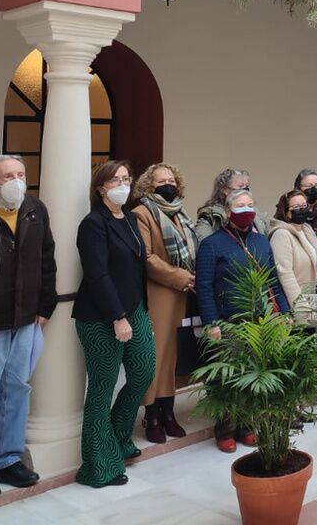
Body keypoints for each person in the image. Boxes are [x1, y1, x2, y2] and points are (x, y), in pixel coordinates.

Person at [0, 155, 56, 502]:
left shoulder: (35, 208)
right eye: (8, 176)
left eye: (21, 174)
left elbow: (46, 258)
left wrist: (45, 305)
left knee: (16, 389)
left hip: (27, 317)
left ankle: (7, 458)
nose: (16, 181)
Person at [73, 161, 156, 488]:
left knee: (143, 372)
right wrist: (117, 317)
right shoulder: (93, 224)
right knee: (101, 388)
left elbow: (137, 268)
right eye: (115, 180)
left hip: (135, 308)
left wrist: (139, 313)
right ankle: (98, 466)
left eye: (126, 178)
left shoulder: (132, 218)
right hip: (101, 315)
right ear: (100, 188)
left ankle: (119, 434)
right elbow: (97, 274)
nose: (122, 184)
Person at [195, 189, 290, 451]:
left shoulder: (261, 241)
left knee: (252, 375)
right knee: (226, 378)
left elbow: (273, 281)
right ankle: (225, 429)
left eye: (250, 204)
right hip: (227, 322)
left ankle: (247, 425)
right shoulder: (212, 244)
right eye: (240, 205)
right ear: (227, 212)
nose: (246, 209)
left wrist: (285, 312)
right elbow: (203, 287)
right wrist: (211, 323)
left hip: (259, 322)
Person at [130, 163, 198, 446]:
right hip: (160, 292)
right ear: (149, 185)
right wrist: (182, 277)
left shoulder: (180, 213)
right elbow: (146, 257)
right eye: (161, 180)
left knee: (174, 355)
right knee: (156, 355)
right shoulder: (142, 212)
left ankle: (169, 411)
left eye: (171, 179)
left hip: (184, 293)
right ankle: (152, 415)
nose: (167, 184)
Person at [269, 190, 317, 329]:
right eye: (296, 207)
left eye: (304, 205)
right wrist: (301, 308)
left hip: (313, 302)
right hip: (294, 306)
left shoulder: (307, 230)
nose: (302, 209)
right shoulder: (281, 234)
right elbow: (285, 274)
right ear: (287, 212)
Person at [194, 168, 267, 240]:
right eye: (240, 187)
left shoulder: (255, 212)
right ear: (225, 190)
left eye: (247, 187)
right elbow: (204, 242)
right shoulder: (209, 215)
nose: (245, 192)